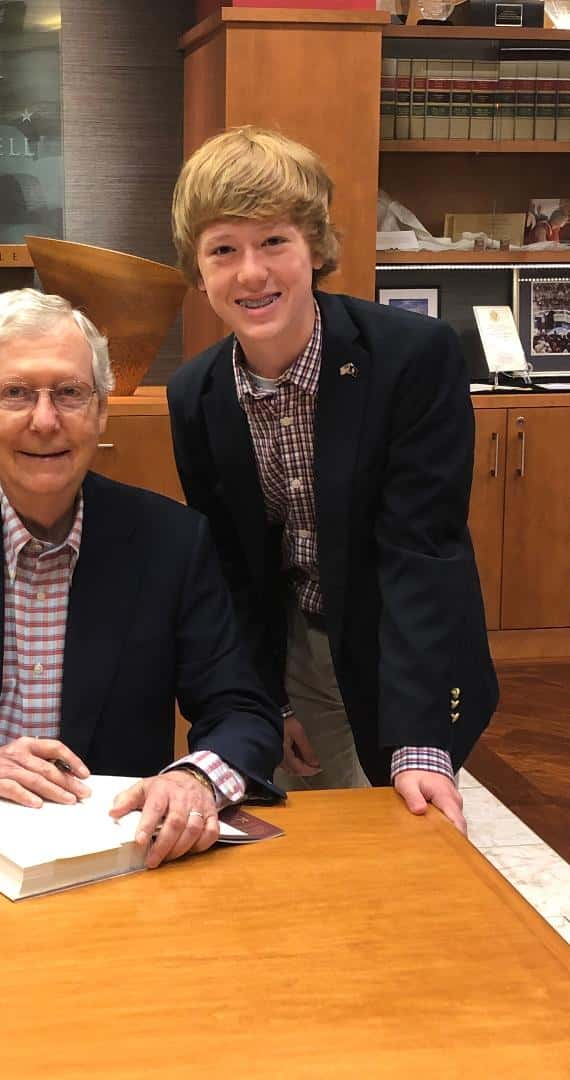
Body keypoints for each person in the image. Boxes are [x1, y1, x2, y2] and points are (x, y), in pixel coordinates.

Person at [0, 288, 283, 868]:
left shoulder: (172, 541)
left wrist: (195, 780)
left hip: (113, 856)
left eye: (69, 393)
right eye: (15, 393)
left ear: (101, 410)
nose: (45, 420)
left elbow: (242, 712)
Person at [167, 127, 498, 833]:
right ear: (198, 273)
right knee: (317, 828)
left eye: (274, 242)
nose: (251, 273)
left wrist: (420, 740)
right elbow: (234, 572)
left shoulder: (412, 358)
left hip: (401, 630)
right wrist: (265, 704)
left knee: (406, 812)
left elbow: (421, 553)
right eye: (224, 249)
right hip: (300, 642)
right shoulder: (195, 393)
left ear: (314, 247)